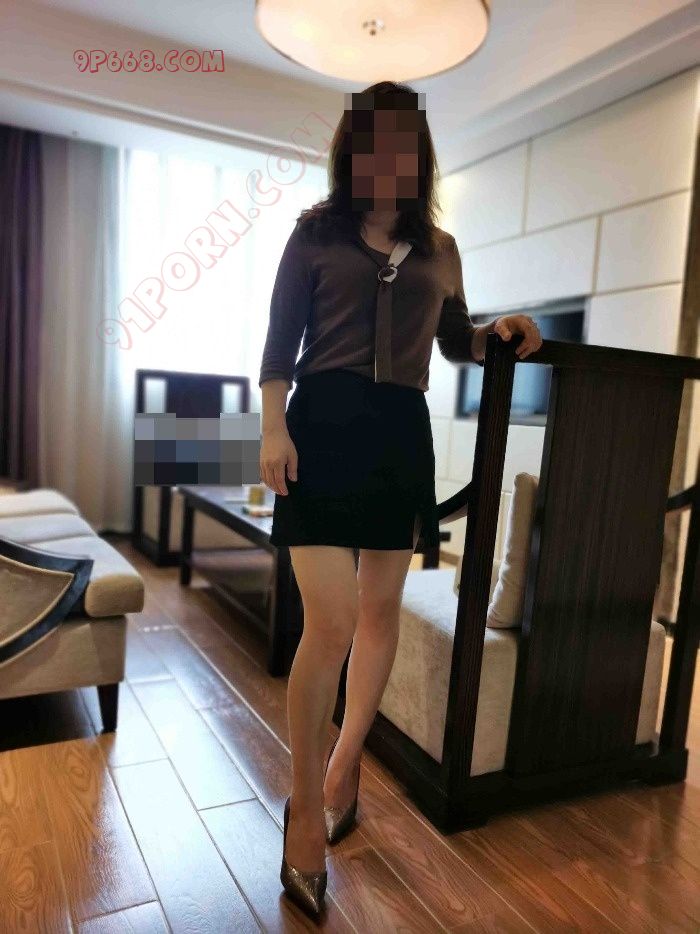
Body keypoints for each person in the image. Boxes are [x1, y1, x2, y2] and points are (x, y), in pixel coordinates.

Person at [258, 80, 542, 919]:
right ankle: (304, 810)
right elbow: (278, 343)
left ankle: (344, 769)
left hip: (397, 435)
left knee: (379, 613)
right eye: (373, 140)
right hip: (320, 425)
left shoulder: (440, 248)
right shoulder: (315, 232)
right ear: (354, 150)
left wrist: (498, 333)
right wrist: (271, 429)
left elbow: (455, 342)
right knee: (333, 620)